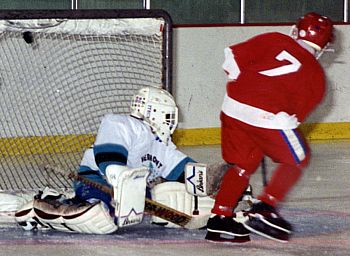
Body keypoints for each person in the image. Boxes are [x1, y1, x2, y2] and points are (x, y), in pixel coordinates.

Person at [14, 86, 220, 234]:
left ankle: (79, 202)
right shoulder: (122, 124)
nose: (170, 121)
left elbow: (190, 173)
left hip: (132, 189)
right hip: (97, 179)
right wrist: (121, 177)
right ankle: (41, 208)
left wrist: (223, 184)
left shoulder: (163, 146)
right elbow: (109, 158)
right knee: (99, 218)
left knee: (168, 194)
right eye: (167, 115)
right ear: (153, 111)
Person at [205, 12, 334, 243]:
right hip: (268, 117)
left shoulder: (275, 38)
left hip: (232, 107)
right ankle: (265, 208)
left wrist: (246, 90)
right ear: (323, 49)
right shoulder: (317, 78)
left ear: (295, 31)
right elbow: (292, 120)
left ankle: (220, 217)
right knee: (299, 157)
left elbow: (231, 59)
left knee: (245, 163)